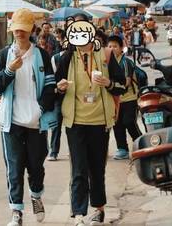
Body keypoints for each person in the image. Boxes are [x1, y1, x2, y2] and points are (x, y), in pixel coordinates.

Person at [0, 8, 58, 226]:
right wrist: (9, 71)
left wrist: (40, 109)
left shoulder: (41, 55)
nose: (20, 33)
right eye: (16, 29)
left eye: (24, 30)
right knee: (14, 168)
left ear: (32, 31)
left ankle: (36, 195)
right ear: (11, 31)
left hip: (36, 122)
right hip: (12, 122)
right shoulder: (3, 56)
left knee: (36, 166)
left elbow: (50, 87)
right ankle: (16, 212)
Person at [53, 18, 126, 226]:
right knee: (78, 169)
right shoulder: (67, 57)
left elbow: (121, 86)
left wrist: (108, 83)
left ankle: (99, 209)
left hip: (100, 121)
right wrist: (60, 87)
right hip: (75, 121)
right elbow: (54, 90)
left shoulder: (104, 55)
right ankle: (78, 214)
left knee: (96, 168)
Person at [107, 36, 142, 160]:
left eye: (115, 46)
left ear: (121, 48)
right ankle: (122, 149)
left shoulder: (125, 62)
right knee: (117, 124)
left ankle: (141, 143)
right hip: (115, 99)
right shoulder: (106, 62)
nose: (112, 49)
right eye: (110, 46)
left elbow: (126, 82)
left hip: (129, 98)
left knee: (128, 121)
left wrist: (111, 84)